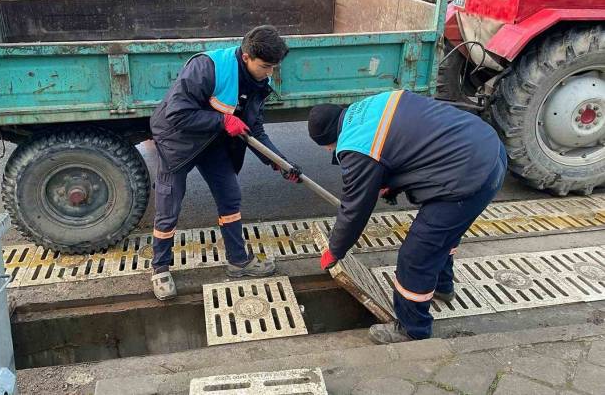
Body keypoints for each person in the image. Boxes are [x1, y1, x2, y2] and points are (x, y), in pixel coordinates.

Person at [307, 90, 507, 343]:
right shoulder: (371, 105)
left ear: (328, 142)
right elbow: (409, 140)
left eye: (328, 148)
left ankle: (412, 330)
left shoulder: (355, 146)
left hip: (467, 175)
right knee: (443, 234)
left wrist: (335, 251)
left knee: (417, 254)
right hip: (490, 150)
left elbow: (354, 209)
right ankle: (442, 287)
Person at [149, 25, 302, 300]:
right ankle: (160, 268)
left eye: (273, 67)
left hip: (213, 142)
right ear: (246, 57)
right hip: (177, 141)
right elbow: (176, 114)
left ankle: (238, 260)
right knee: (168, 204)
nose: (270, 73)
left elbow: (254, 131)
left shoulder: (258, 84)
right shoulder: (206, 68)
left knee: (230, 197)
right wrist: (222, 120)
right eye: (265, 66)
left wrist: (281, 162)